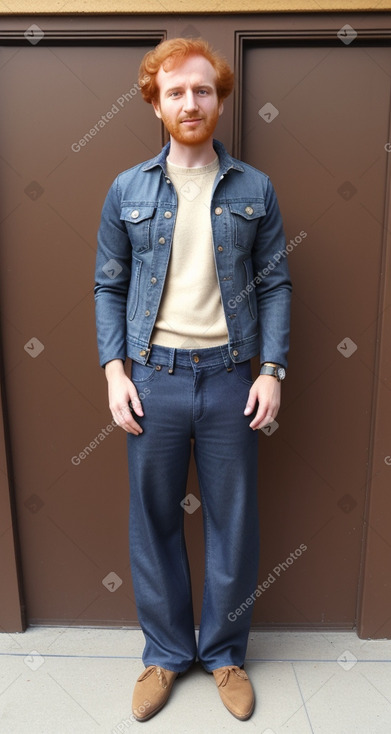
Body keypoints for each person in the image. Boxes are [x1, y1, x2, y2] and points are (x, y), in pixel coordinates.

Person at [94, 37, 291, 722]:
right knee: (153, 523)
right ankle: (166, 654)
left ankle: (226, 653)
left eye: (202, 90)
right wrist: (115, 370)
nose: (189, 102)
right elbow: (107, 287)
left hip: (231, 379)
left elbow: (275, 284)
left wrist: (270, 370)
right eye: (175, 91)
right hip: (153, 380)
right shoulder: (127, 189)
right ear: (154, 100)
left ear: (219, 98)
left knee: (233, 524)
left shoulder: (252, 189)